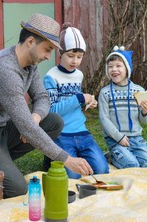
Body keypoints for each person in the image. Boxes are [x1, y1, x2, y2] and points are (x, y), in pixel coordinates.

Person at [0, 13, 93, 198]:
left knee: (53, 122)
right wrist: (67, 159)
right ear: (31, 41)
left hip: (0, 129)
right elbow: (26, 127)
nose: (49, 57)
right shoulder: (5, 69)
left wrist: (36, 117)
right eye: (47, 49)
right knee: (17, 188)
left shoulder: (29, 66)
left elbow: (42, 97)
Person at [42, 23, 109, 179]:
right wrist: (78, 98)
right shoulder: (51, 77)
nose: (75, 61)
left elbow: (74, 105)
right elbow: (51, 111)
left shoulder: (78, 75)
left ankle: (81, 155)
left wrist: (86, 104)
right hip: (61, 134)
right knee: (73, 177)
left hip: (81, 131)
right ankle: (52, 157)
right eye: (70, 56)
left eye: (79, 57)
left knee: (102, 170)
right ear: (60, 53)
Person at [98, 46, 147, 169]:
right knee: (132, 165)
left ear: (127, 68)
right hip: (115, 139)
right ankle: (112, 155)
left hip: (136, 139)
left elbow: (144, 121)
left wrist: (145, 112)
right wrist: (119, 138)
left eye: (118, 66)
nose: (114, 69)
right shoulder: (105, 93)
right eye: (110, 66)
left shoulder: (139, 91)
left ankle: (122, 155)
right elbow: (104, 120)